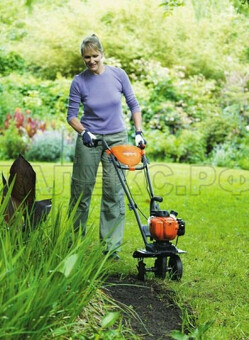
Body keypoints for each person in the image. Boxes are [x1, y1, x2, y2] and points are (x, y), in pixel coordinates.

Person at [66, 34, 146, 259]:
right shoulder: (79, 81)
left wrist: (138, 132)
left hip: (117, 138)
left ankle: (110, 249)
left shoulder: (118, 75)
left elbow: (133, 105)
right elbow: (71, 115)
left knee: (114, 192)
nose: (91, 61)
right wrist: (83, 132)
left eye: (95, 56)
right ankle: (74, 242)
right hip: (90, 138)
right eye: (86, 57)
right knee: (81, 191)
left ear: (103, 54)